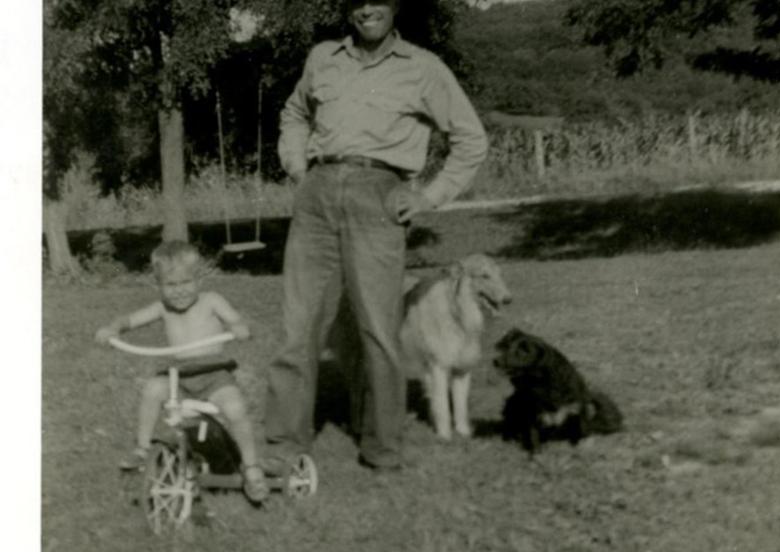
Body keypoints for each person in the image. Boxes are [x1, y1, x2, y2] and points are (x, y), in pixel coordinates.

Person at [265, 0, 488, 472]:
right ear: (348, 9)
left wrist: (428, 196)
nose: (367, 9)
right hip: (318, 195)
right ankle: (285, 445)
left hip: (380, 195)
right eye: (357, 1)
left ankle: (382, 448)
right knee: (297, 328)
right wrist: (297, 165)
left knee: (379, 331)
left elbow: (471, 140)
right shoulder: (323, 58)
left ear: (394, 5)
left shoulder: (424, 68)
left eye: (377, 0)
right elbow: (294, 113)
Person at [95, 240, 270, 503]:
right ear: (159, 285)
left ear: (199, 279)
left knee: (235, 409)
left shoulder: (212, 301)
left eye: (186, 283)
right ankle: (143, 448)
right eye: (171, 285)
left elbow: (236, 320)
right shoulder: (162, 308)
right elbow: (129, 320)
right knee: (153, 388)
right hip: (180, 376)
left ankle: (252, 466)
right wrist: (112, 328)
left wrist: (238, 328)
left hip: (214, 373)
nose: (179, 292)